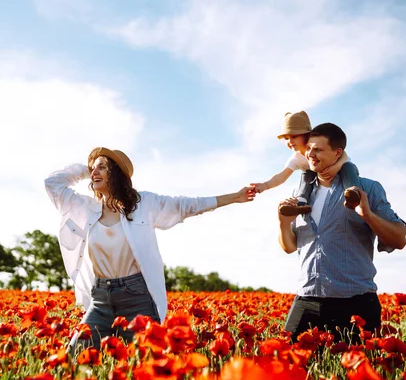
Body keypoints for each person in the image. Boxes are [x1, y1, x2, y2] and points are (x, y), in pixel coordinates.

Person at [44, 147, 256, 351]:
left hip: (136, 299)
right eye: (93, 168)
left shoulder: (144, 204)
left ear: (116, 174)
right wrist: (86, 167)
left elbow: (187, 205)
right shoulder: (86, 208)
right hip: (100, 300)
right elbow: (52, 183)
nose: (94, 173)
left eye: (102, 167)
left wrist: (234, 197)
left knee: (142, 366)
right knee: (75, 356)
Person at [277, 123, 406, 342]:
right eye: (308, 148)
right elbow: (289, 247)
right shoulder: (301, 195)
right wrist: (282, 222)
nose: (310, 154)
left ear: (337, 153)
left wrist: (367, 215)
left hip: (355, 304)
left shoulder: (367, 189)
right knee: (287, 367)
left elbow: (399, 238)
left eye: (317, 149)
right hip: (306, 299)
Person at [251, 111, 362, 216]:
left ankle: (353, 194)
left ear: (306, 135)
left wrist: (336, 167)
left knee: (348, 168)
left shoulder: (320, 145)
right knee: (306, 175)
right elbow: (282, 176)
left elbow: (343, 155)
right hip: (318, 177)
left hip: (342, 170)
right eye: (286, 138)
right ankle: (302, 203)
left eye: (294, 136)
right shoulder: (296, 158)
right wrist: (265, 185)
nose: (290, 142)